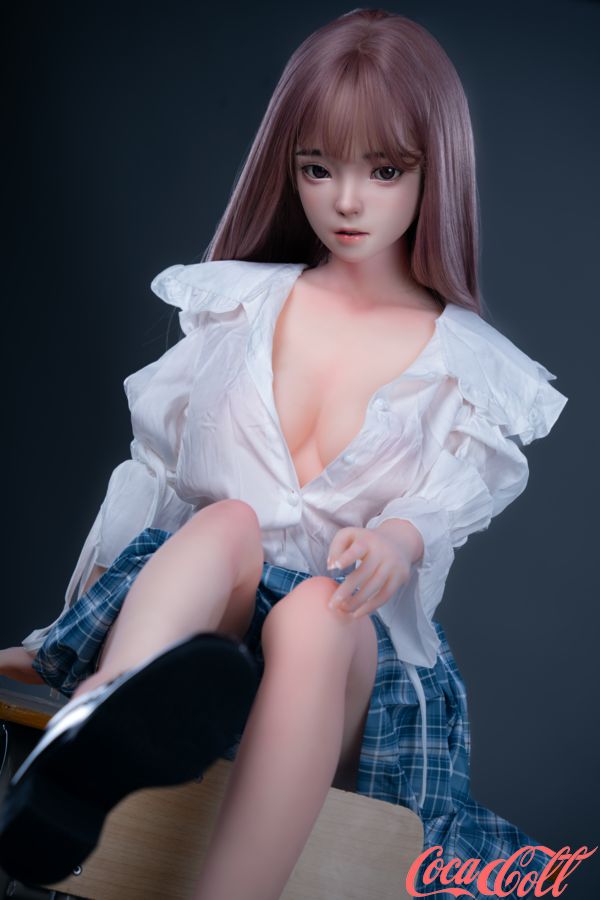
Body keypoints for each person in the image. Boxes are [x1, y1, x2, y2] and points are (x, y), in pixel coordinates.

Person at [0, 8, 568, 898]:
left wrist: (397, 541)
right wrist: (58, 641)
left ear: (436, 169)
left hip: (340, 671)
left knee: (314, 608)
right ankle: (101, 718)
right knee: (223, 520)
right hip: (201, 649)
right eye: (318, 167)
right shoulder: (235, 307)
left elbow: (445, 508)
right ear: (289, 166)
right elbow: (152, 485)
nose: (347, 200)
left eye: (385, 170)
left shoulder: (469, 369)